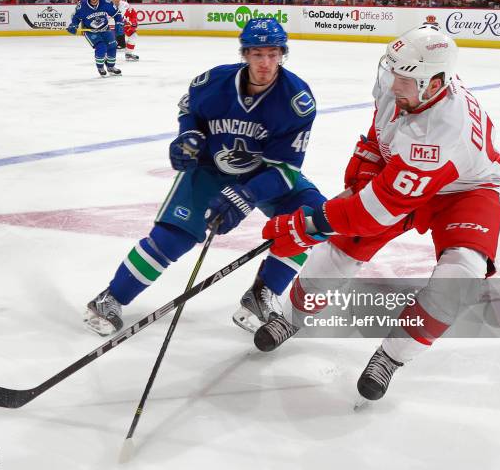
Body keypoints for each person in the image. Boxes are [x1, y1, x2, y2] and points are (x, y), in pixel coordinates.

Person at [259, 22, 500, 402]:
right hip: (407, 175)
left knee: (460, 277)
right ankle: (291, 317)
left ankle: (391, 357)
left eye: (405, 79)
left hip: (465, 191)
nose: (394, 85)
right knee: (341, 251)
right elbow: (379, 137)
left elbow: (378, 210)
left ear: (436, 83)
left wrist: (309, 224)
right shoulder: (404, 87)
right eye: (392, 72)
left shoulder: (443, 131)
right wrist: (363, 170)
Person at [84, 18, 326, 337]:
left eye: (273, 54)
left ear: (282, 54)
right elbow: (190, 111)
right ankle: (111, 298)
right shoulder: (213, 82)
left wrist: (247, 194)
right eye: (257, 54)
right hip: (212, 167)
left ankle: (261, 293)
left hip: (265, 173)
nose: (266, 63)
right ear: (245, 54)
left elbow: (285, 169)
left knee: (312, 218)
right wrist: (189, 137)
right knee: (173, 237)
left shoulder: (297, 102)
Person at [67, 0, 123, 77]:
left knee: (112, 46)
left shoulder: (106, 2)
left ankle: (111, 67)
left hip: (105, 29)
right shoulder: (82, 5)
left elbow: (117, 14)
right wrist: (74, 25)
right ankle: (100, 67)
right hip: (91, 31)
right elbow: (76, 17)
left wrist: (119, 23)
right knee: (101, 47)